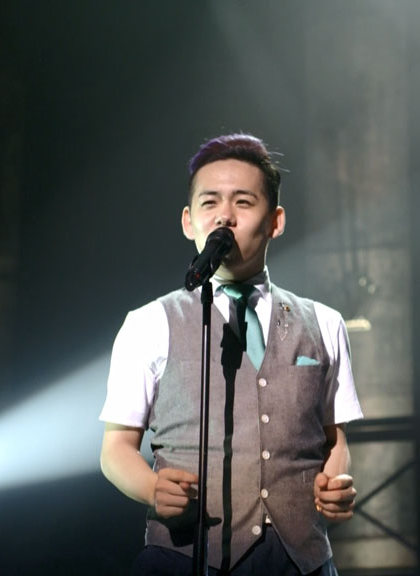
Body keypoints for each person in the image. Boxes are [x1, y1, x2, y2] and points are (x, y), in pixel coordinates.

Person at [99, 133, 363, 575]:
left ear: (275, 221)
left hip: (302, 561)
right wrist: (151, 488)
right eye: (210, 202)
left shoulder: (325, 323)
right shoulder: (148, 323)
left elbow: (335, 439)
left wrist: (334, 483)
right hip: (184, 558)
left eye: (243, 202)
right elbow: (115, 449)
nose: (225, 215)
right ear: (188, 222)